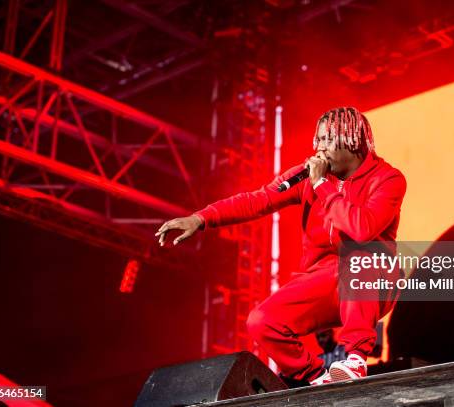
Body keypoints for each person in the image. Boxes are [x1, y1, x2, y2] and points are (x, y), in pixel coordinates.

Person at [156, 107, 406, 386]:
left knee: (359, 256)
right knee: (262, 321)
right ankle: (318, 377)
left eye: (326, 140)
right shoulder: (306, 176)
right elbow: (257, 201)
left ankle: (356, 360)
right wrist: (200, 218)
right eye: (318, 140)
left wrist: (322, 185)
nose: (318, 148)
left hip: (374, 280)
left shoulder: (388, 179)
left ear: (351, 139)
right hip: (326, 279)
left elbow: (362, 228)